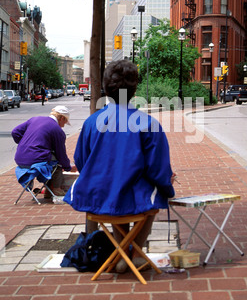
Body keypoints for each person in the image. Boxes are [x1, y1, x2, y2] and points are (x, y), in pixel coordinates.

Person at [64, 60, 176, 273]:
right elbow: (158, 170)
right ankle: (134, 254)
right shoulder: (148, 123)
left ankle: (122, 251)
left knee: (117, 193)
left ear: (106, 88)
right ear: (134, 89)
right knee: (152, 197)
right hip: (129, 200)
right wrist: (168, 188)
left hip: (97, 199)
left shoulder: (91, 122)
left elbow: (81, 161)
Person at [12, 105, 77, 197]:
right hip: (35, 160)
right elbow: (61, 154)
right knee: (57, 163)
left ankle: (48, 190)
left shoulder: (34, 119)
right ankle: (56, 189)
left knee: (50, 158)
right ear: (62, 118)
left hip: (19, 158)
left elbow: (15, 132)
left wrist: (25, 143)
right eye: (65, 122)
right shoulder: (57, 130)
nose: (63, 126)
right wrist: (68, 167)